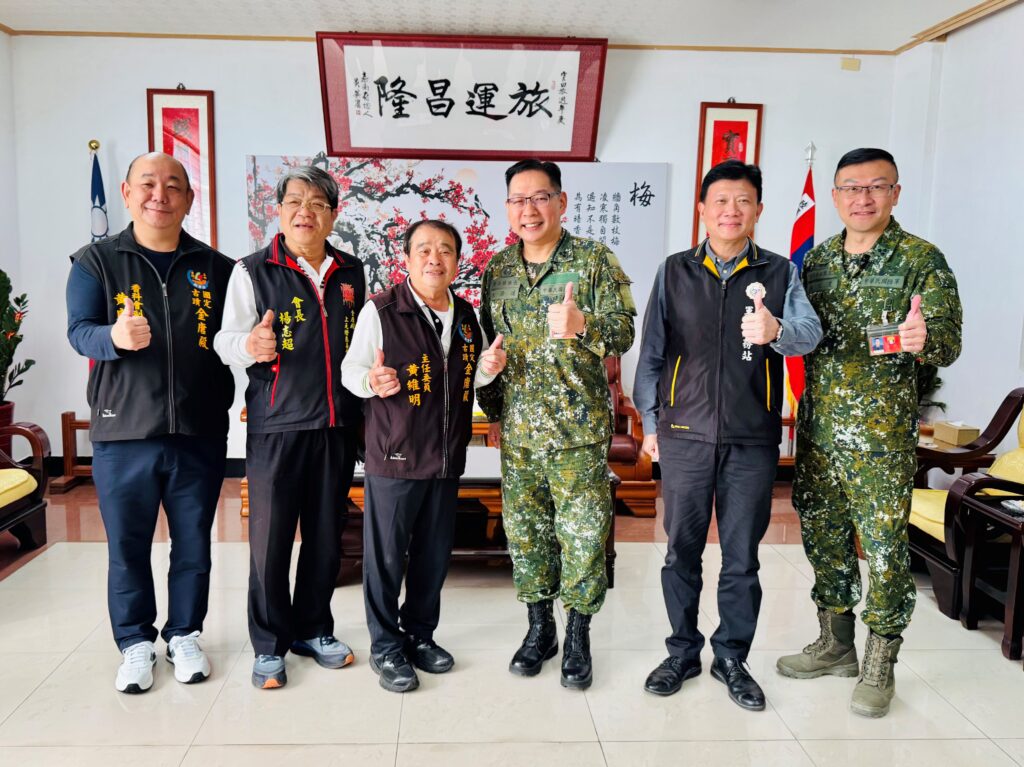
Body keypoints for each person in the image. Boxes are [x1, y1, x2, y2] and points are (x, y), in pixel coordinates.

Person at [776, 148, 962, 718]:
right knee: (824, 540)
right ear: (834, 197)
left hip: (880, 440)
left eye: (877, 186)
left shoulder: (920, 259)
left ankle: (881, 661)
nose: (863, 198)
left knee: (882, 551)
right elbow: (799, 332)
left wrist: (924, 340)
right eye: (852, 188)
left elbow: (948, 342)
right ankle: (835, 644)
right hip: (819, 433)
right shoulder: (816, 261)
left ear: (895, 193)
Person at [633, 160, 822, 710]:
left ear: (758, 210)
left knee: (742, 558)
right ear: (702, 209)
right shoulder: (674, 271)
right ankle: (682, 652)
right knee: (680, 553)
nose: (731, 211)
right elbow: (651, 354)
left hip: (751, 439)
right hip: (683, 435)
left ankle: (732, 658)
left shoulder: (781, 272)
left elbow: (809, 333)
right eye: (720, 201)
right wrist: (651, 424)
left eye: (742, 201)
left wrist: (776, 329)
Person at [66, 152, 235, 693]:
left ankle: (184, 633)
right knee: (128, 547)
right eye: (147, 184)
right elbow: (78, 330)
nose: (159, 195)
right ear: (126, 192)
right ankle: (135, 642)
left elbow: (234, 339)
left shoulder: (217, 268)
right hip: (124, 432)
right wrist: (112, 338)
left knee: (194, 545)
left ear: (189, 199)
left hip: (198, 431)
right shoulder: (95, 262)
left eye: (172, 186)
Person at [478, 159, 636, 690]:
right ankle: (540, 629)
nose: (529, 209)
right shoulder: (497, 269)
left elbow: (624, 331)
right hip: (519, 433)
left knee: (583, 537)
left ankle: (578, 636)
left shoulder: (593, 260)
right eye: (518, 200)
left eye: (540, 197)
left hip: (577, 432)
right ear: (507, 208)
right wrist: (494, 409)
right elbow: (490, 346)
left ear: (561, 203)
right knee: (526, 535)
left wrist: (583, 323)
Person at [213, 166, 365, 689]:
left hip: (337, 423)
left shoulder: (351, 272)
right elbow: (224, 340)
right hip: (276, 423)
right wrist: (249, 346)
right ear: (278, 211)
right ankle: (269, 643)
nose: (306, 211)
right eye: (295, 201)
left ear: (333, 215)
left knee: (326, 536)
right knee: (271, 540)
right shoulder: (252, 270)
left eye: (318, 203)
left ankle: (314, 629)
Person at [341, 220, 507, 692]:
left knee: (433, 557)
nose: (436, 259)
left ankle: (419, 635)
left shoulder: (466, 314)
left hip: (446, 457)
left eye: (446, 250)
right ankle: (385, 647)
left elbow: (470, 377)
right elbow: (351, 370)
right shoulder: (381, 310)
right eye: (425, 250)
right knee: (386, 558)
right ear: (407, 259)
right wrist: (371, 381)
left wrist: (490, 369)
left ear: (457, 260)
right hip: (395, 454)